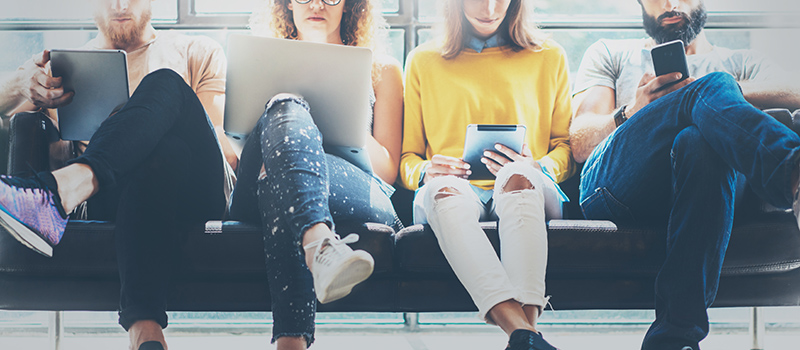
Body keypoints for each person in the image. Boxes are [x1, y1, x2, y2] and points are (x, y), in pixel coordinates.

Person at [0, 0, 235, 349]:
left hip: (195, 192)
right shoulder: (61, 68)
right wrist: (20, 85)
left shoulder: (197, 51)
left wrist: (150, 117)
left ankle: (56, 193)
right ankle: (146, 334)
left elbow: (223, 151)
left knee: (165, 88)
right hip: (112, 199)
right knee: (159, 156)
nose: (121, 5)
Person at [569, 0, 800, 349]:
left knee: (697, 138)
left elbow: (795, 89)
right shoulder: (610, 53)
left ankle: (674, 339)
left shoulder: (741, 62)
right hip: (615, 188)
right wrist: (632, 109)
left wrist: (707, 89)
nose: (671, 4)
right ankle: (794, 177)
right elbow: (581, 143)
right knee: (709, 94)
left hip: (701, 189)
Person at [226, 0, 404, 349]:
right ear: (287, 4)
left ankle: (291, 341)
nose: (317, 4)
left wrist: (337, 108)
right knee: (286, 105)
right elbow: (235, 152)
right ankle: (320, 243)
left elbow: (388, 168)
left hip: (355, 186)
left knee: (277, 183)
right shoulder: (261, 63)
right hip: (262, 173)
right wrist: (291, 118)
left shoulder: (382, 70)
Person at [399, 1, 574, 349]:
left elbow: (565, 148)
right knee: (443, 190)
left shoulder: (549, 56)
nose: (490, 7)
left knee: (516, 175)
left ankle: (525, 330)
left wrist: (539, 165)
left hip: (526, 183)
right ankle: (525, 336)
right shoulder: (423, 60)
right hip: (456, 188)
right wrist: (425, 170)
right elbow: (408, 159)